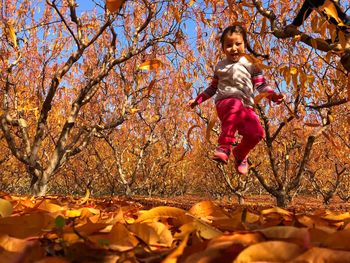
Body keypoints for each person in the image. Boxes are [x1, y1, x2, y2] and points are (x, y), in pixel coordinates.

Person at [188, 24, 284, 175]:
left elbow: (261, 84)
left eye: (238, 44)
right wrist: (197, 100)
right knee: (234, 103)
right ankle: (224, 146)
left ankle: (240, 154)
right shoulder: (220, 66)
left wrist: (272, 95)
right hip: (226, 102)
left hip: (247, 107)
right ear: (223, 48)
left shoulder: (251, 63)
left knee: (257, 133)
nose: (233, 48)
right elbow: (212, 88)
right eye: (229, 45)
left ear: (245, 44)